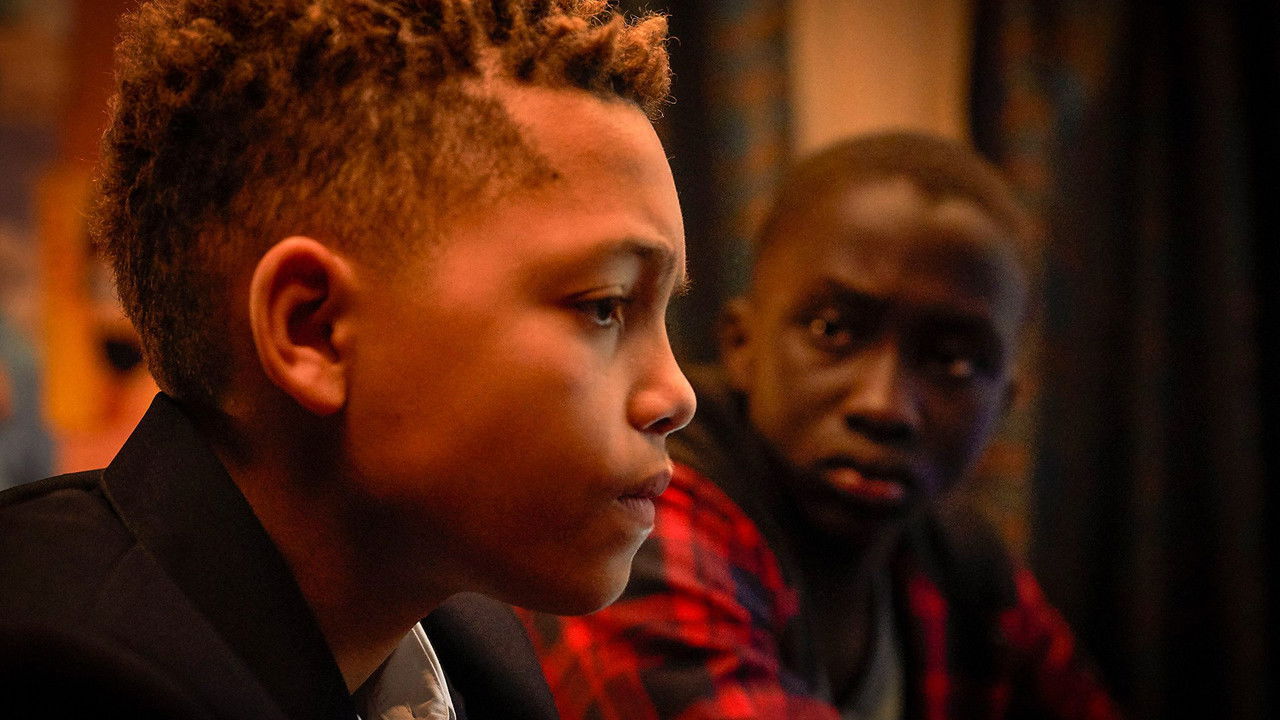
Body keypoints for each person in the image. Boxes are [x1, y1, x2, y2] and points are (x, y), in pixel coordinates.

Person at [0, 1, 695, 718]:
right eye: (604, 305)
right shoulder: (61, 671)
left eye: (663, 311)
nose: (676, 395)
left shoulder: (470, 649)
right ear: (315, 330)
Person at [519, 132, 1123, 719]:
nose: (884, 406)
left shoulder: (962, 564)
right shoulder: (648, 517)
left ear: (1004, 405)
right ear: (742, 345)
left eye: (953, 362)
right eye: (832, 330)